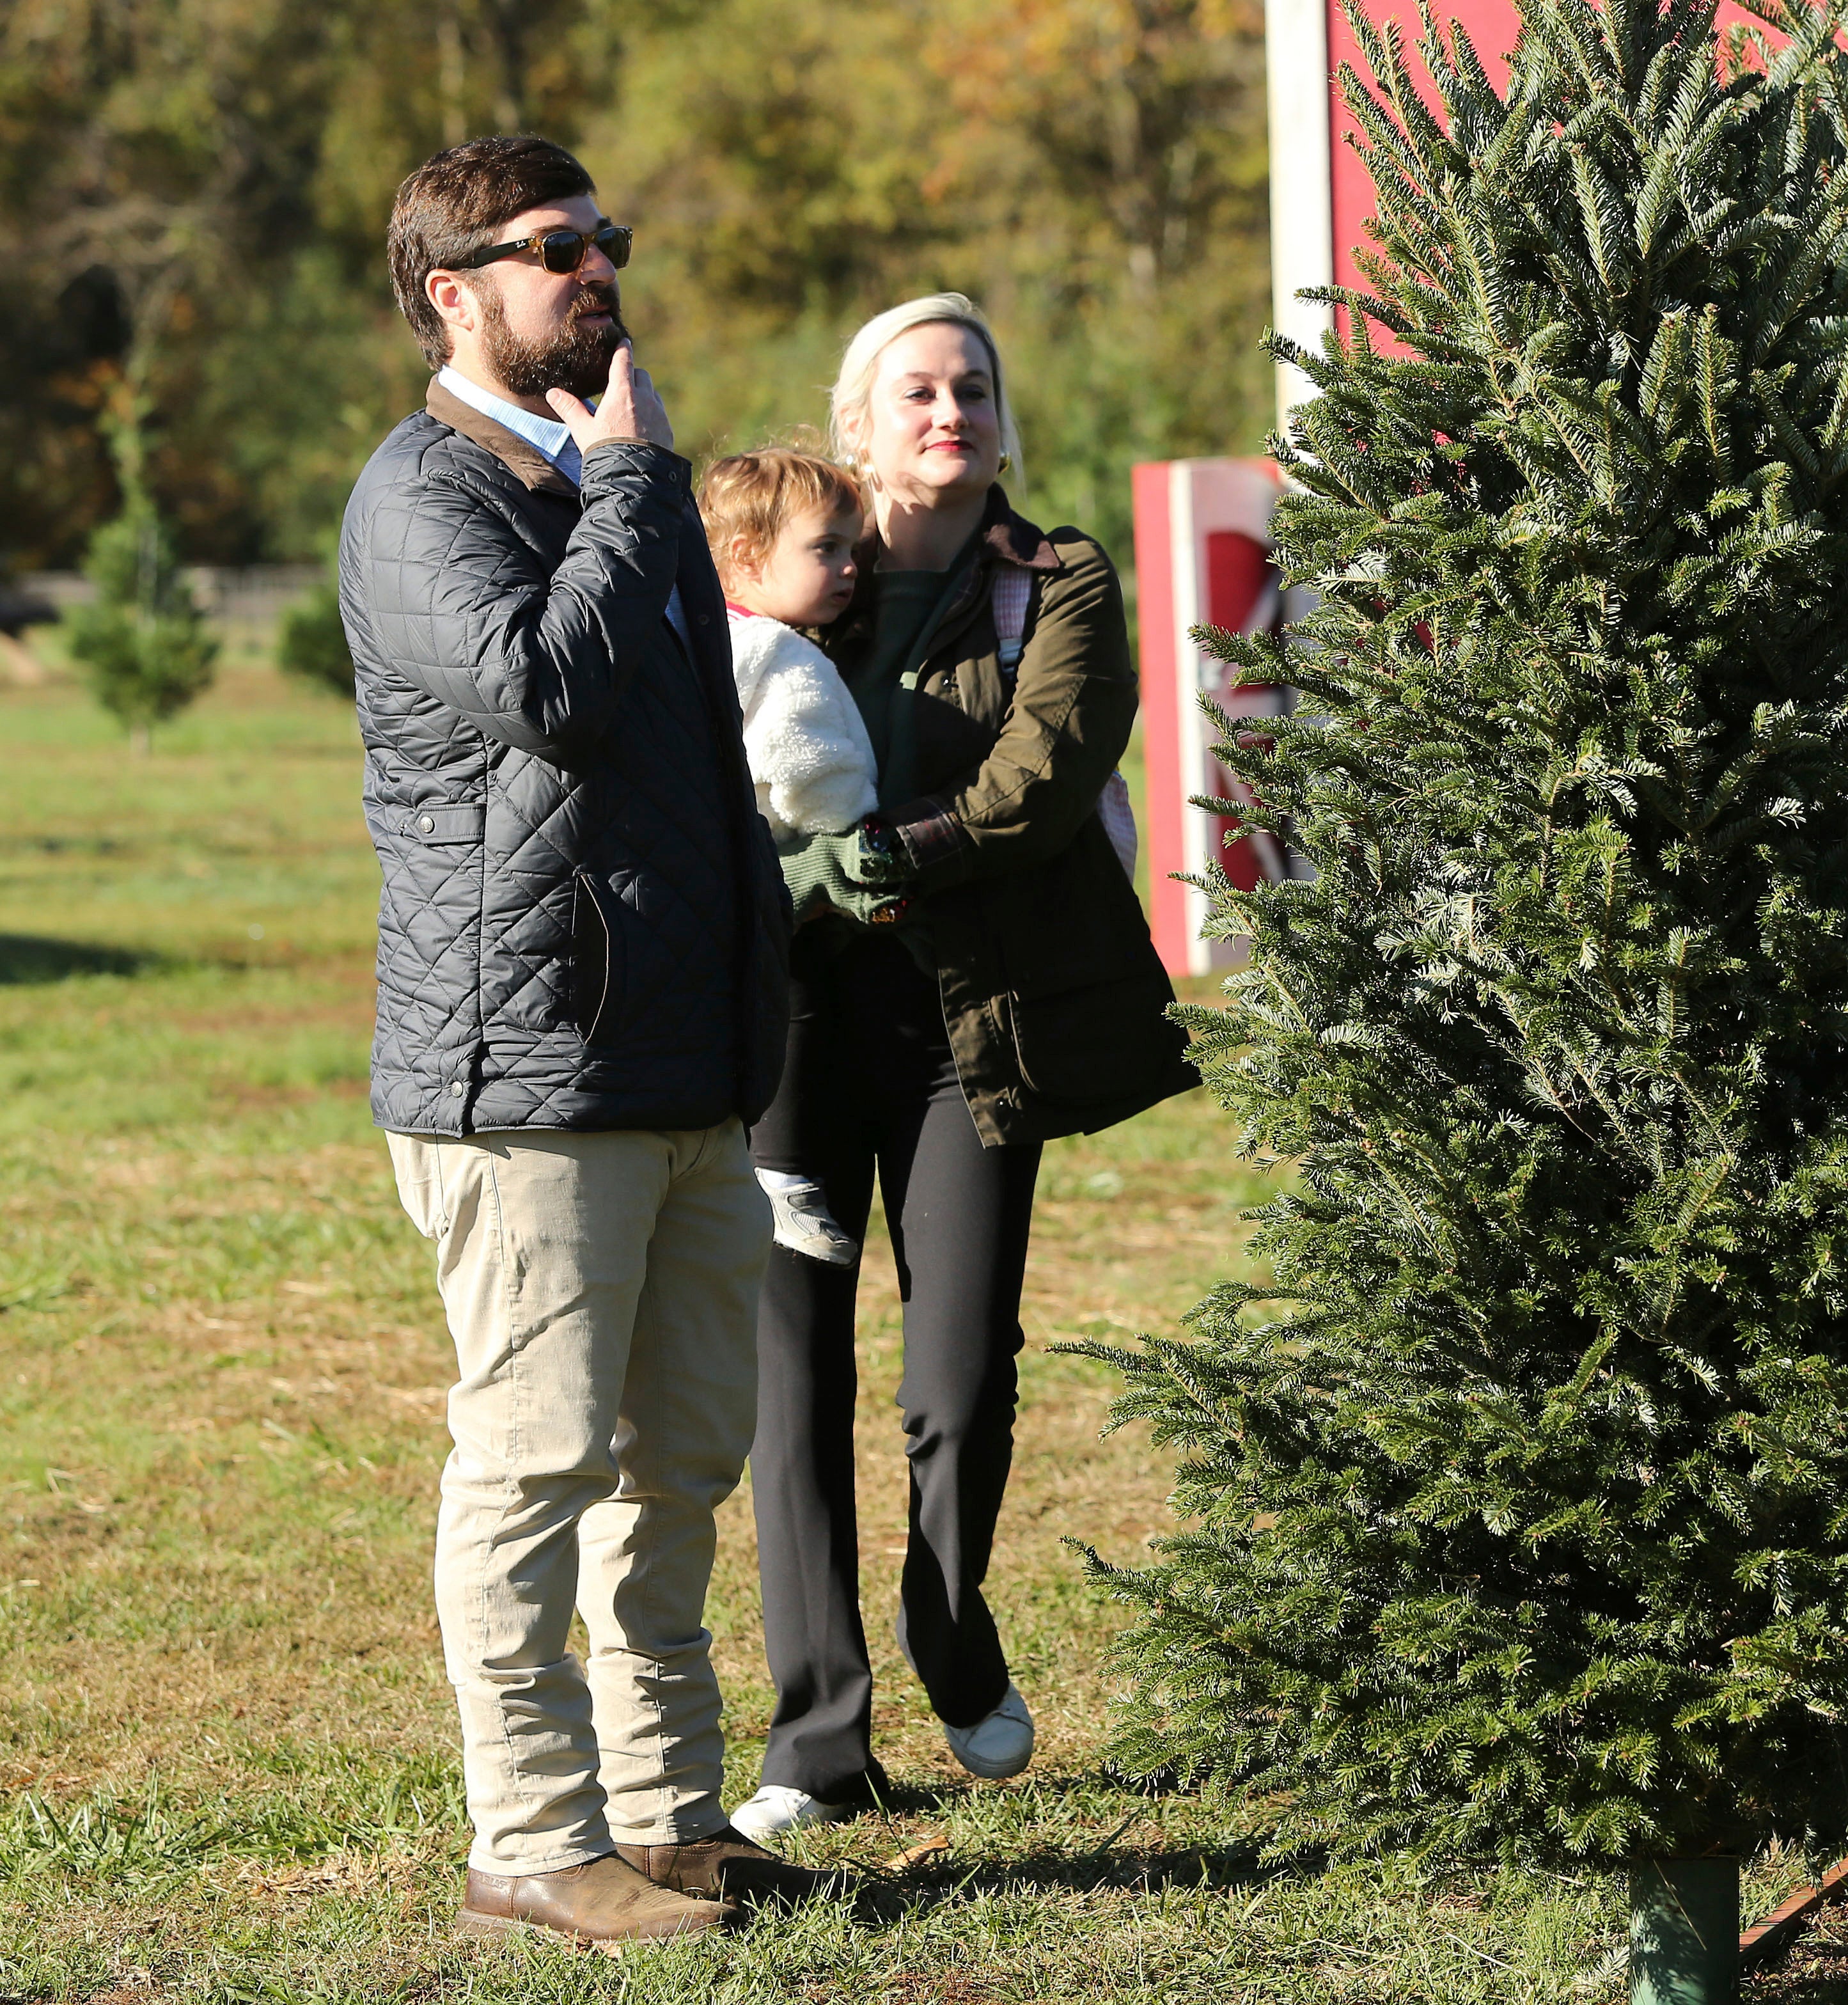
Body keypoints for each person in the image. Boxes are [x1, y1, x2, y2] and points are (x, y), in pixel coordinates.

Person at [336, 135, 815, 1946]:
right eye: (556, 247)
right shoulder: (425, 498)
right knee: (535, 1456)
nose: (598, 267)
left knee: (677, 1453)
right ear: (453, 292)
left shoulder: (620, 477)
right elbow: (548, 689)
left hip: (681, 1061)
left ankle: (667, 1810)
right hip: (524, 1068)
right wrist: (629, 487)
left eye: (606, 237)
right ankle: (534, 1838)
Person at [729, 293, 1196, 1844]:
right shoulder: (794, 560)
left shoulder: (1050, 578)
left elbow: (1046, 774)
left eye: (973, 388)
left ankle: (949, 1620)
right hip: (788, 1022)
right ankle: (816, 1730)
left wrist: (888, 853)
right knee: (788, 1372)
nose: (950, 412)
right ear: (857, 420)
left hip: (966, 1026)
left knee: (958, 1371)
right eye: (917, 390)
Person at [698, 446, 890, 1266]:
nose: (850, 568)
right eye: (826, 549)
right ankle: (781, 1182)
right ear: (747, 556)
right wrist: (856, 829)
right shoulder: (785, 657)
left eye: (853, 550)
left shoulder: (697, 636)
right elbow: (818, 774)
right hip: (784, 901)